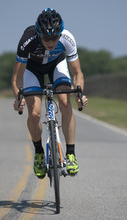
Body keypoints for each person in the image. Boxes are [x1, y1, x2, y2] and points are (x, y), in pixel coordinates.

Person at [12, 8, 88, 179]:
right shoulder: (27, 41)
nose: (51, 42)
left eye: (55, 37)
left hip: (56, 64)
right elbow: (16, 79)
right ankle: (39, 153)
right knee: (34, 113)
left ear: (60, 34)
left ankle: (70, 154)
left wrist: (79, 94)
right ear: (39, 34)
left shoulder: (68, 38)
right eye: (46, 38)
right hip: (33, 68)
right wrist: (18, 98)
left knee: (65, 103)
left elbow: (77, 73)